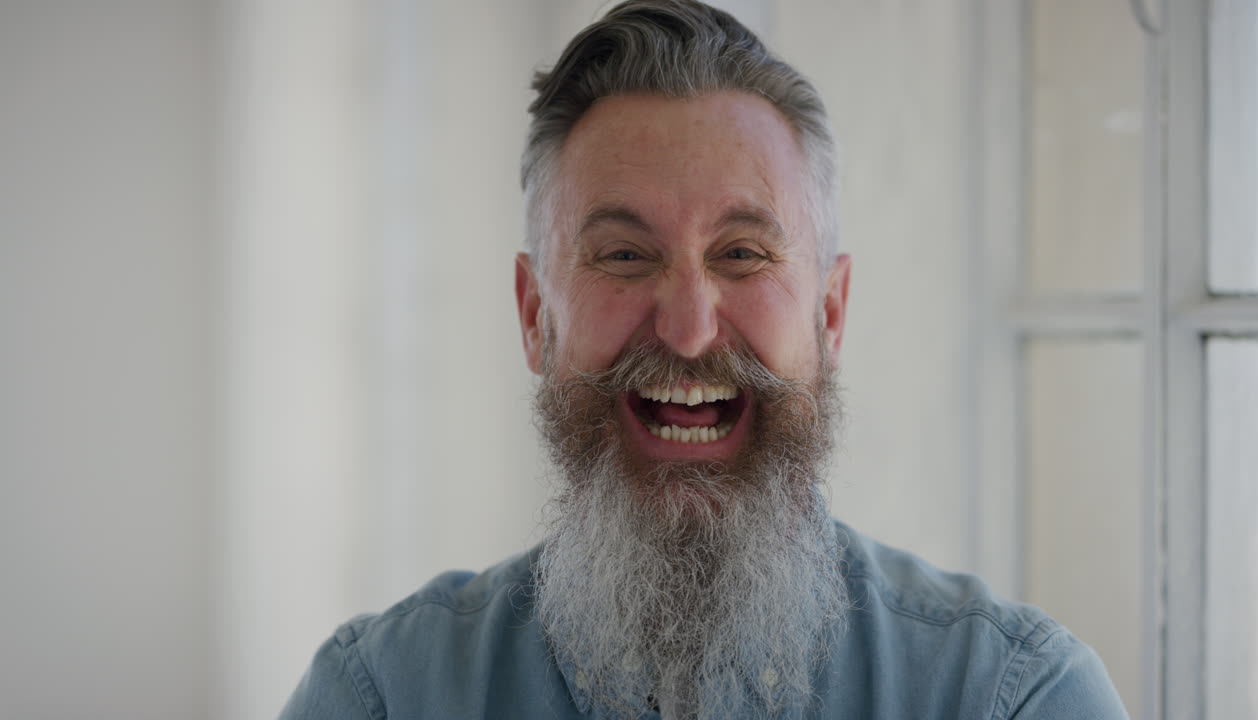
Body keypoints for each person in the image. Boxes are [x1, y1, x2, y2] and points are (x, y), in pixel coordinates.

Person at [280, 1, 1129, 718]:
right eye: (622, 256)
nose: (688, 330)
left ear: (831, 314)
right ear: (535, 315)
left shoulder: (1010, 699)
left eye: (744, 254)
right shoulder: (380, 698)